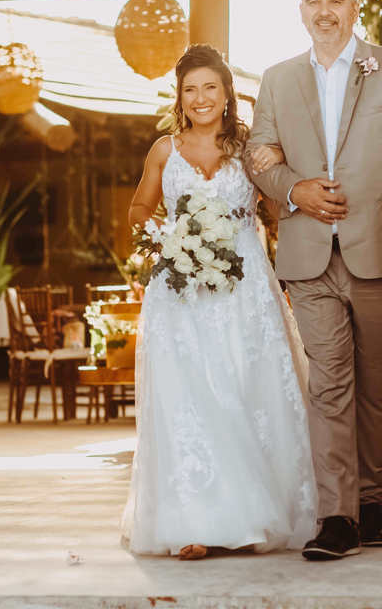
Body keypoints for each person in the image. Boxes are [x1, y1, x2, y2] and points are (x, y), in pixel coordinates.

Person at [247, 0, 382, 561]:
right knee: (329, 386)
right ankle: (336, 517)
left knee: (378, 385)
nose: (324, 11)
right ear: (300, 11)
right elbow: (259, 155)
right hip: (308, 253)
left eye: (335, 0)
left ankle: (369, 503)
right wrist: (291, 189)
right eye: (313, 2)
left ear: (356, 7)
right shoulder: (277, 80)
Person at [122, 43, 316, 560]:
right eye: (191, 89)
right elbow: (139, 208)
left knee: (245, 389)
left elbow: (276, 208)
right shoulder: (164, 150)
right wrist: (168, 236)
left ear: (228, 95)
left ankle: (254, 515)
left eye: (211, 87)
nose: (201, 97)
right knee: (187, 397)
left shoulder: (250, 149)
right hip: (180, 292)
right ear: (179, 98)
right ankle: (191, 523)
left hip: (244, 288)